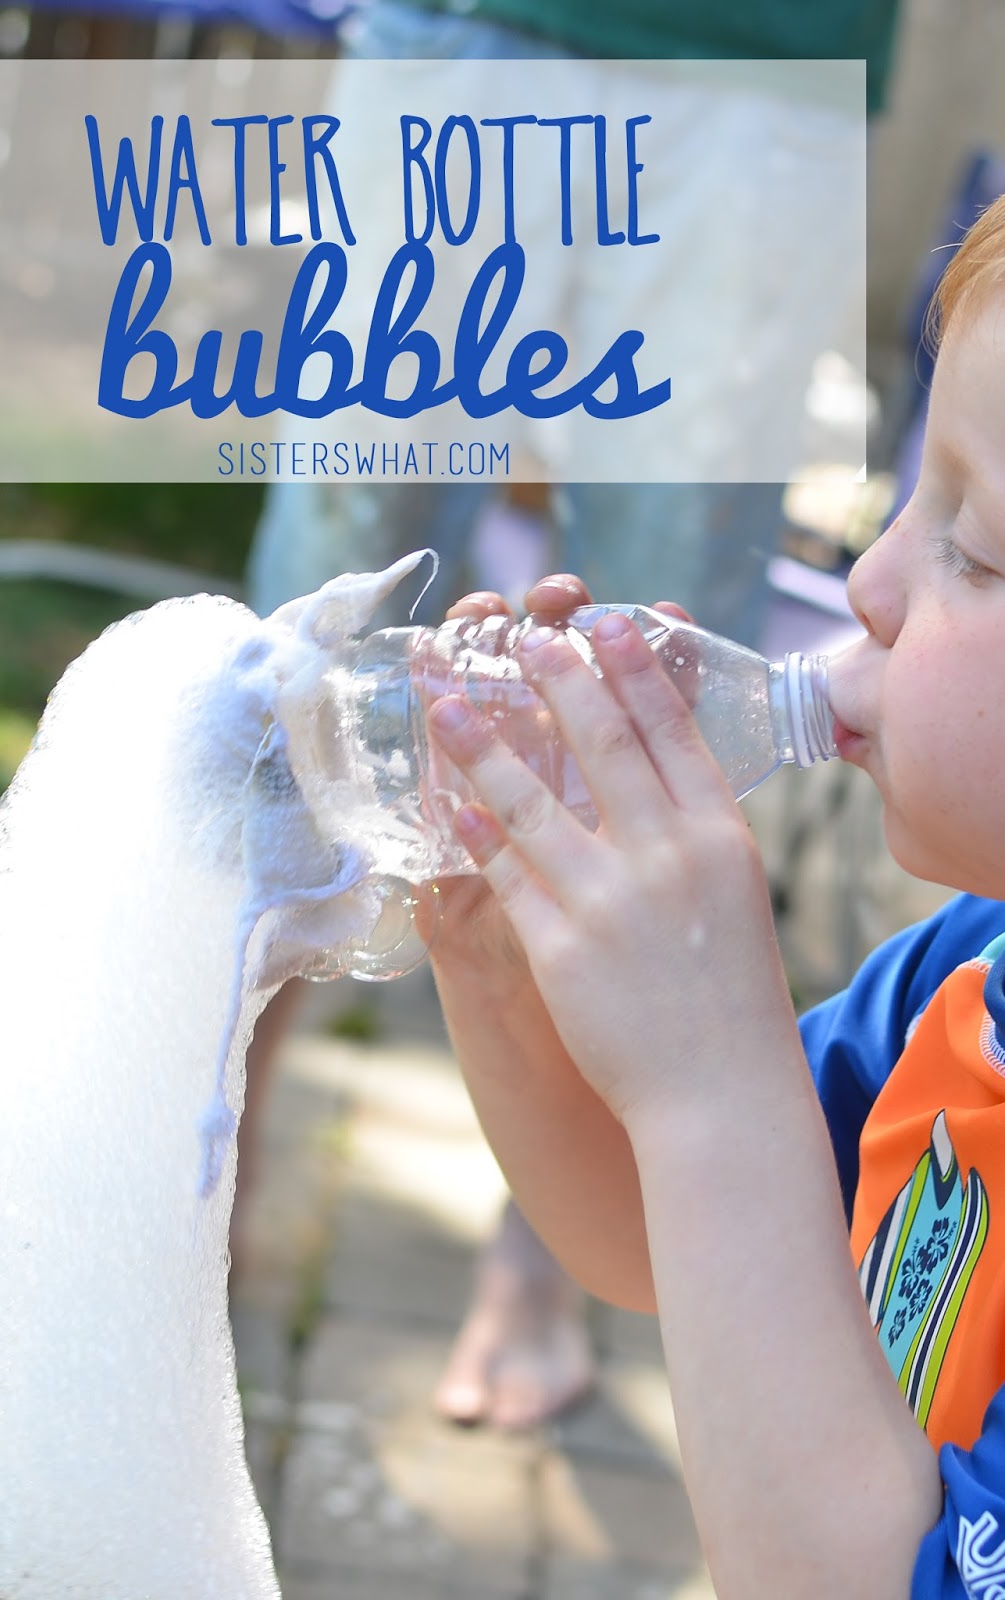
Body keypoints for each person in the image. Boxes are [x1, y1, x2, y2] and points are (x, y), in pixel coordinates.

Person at [419, 194, 1005, 1593]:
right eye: (916, 498)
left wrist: (707, 1079)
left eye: (975, 548)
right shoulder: (965, 982)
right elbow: (650, 1238)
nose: (865, 580)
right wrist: (507, 971)